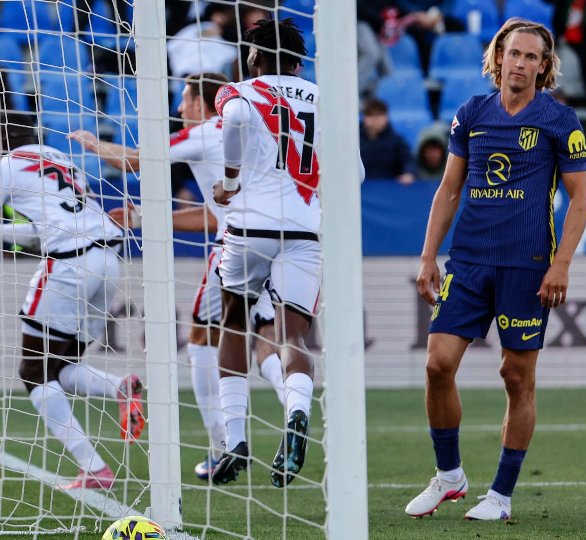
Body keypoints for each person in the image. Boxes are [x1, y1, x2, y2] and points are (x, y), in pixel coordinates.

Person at [405, 18, 586, 521]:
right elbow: (448, 189)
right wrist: (427, 256)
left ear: (544, 66)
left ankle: (502, 496)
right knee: (437, 365)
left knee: (516, 376)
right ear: (499, 57)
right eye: (514, 54)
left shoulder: (560, 120)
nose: (522, 64)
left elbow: (580, 200)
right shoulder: (471, 115)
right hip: (468, 262)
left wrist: (561, 264)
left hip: (527, 267)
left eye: (533, 57)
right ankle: (449, 477)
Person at [68, 72, 288, 481]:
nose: (179, 108)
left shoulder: (207, 131)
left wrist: (90, 141)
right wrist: (144, 217)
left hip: (234, 247)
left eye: (186, 99)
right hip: (281, 240)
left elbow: (135, 159)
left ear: (205, 104)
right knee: (268, 341)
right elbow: (211, 212)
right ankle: (295, 404)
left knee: (202, 339)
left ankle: (224, 445)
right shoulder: (251, 135)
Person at [0, 111, 144, 490]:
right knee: (59, 368)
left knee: (33, 373)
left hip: (70, 266)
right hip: (108, 263)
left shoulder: (2, 169)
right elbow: (39, 229)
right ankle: (118, 386)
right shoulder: (57, 157)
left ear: (6, 136)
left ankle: (94, 468)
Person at [212, 17, 340, 488]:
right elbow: (359, 173)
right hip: (306, 228)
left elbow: (235, 120)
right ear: (300, 60)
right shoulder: (327, 99)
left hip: (251, 222)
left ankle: (236, 441)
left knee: (233, 319)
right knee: (292, 334)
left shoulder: (241, 91)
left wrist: (228, 184)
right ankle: (298, 415)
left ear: (256, 57)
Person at [360, 97, 417, 183]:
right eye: (371, 115)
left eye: (379, 115)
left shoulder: (397, 141)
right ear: (364, 118)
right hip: (361, 188)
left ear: (386, 117)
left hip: (389, 189)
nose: (375, 119)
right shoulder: (355, 141)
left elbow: (408, 161)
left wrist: (408, 173)